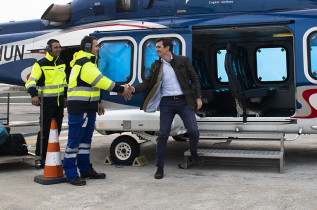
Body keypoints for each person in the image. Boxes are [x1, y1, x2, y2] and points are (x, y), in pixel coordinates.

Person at [129, 37, 203, 180]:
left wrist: (198, 97)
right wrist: (132, 89)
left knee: (193, 131)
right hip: (167, 103)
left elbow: (194, 78)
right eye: (156, 47)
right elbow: (145, 84)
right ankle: (160, 168)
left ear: (167, 48)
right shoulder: (156, 66)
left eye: (158, 47)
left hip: (183, 101)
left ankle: (194, 154)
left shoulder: (183, 60)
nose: (156, 49)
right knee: (163, 135)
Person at [63, 35, 132, 186]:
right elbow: (100, 80)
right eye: (96, 46)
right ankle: (70, 173)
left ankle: (85, 169)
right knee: (74, 141)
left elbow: (93, 86)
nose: (98, 48)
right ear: (88, 48)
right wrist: (120, 89)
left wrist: (98, 102)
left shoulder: (89, 64)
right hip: (80, 108)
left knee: (85, 142)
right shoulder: (85, 63)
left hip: (88, 107)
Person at [25, 39, 67, 167]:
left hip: (59, 104)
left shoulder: (62, 63)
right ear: (49, 49)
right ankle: (41, 157)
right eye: (56, 47)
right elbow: (30, 82)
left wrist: (65, 97)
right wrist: (34, 95)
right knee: (45, 131)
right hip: (47, 104)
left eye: (59, 47)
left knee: (57, 130)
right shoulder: (41, 64)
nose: (58, 49)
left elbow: (64, 83)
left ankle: (52, 156)